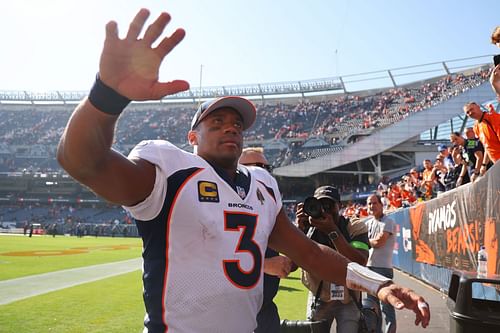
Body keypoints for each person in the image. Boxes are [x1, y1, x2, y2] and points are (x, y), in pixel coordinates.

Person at [56, 8, 430, 333]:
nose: (230, 127)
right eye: (216, 121)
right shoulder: (170, 170)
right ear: (193, 136)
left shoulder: (262, 186)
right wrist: (108, 95)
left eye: (237, 123)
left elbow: (311, 254)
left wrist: (376, 284)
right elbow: (83, 161)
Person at [296, 185, 369, 333]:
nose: (325, 210)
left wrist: (332, 231)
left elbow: (360, 262)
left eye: (330, 205)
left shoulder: (354, 226)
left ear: (340, 206)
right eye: (320, 205)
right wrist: (299, 231)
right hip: (319, 296)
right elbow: (291, 265)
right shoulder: (308, 228)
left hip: (349, 298)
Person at [239, 147, 294, 333]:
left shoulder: (270, 209)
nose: (263, 173)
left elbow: (300, 256)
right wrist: (263, 265)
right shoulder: (219, 205)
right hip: (234, 312)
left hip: (266, 311)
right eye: (257, 167)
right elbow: (203, 259)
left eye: (266, 168)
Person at [365, 194, 398, 333]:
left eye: (374, 203)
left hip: (383, 269)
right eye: (369, 204)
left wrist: (366, 241)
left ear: (381, 204)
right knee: (372, 308)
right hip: (369, 268)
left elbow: (379, 243)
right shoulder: (368, 223)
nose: (372, 206)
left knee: (386, 307)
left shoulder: (388, 221)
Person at [463, 102, 500, 170]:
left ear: (478, 107)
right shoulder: (476, 127)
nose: (470, 113)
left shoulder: (493, 118)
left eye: (472, 109)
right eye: (467, 112)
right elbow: (487, 147)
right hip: (495, 163)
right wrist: (484, 165)